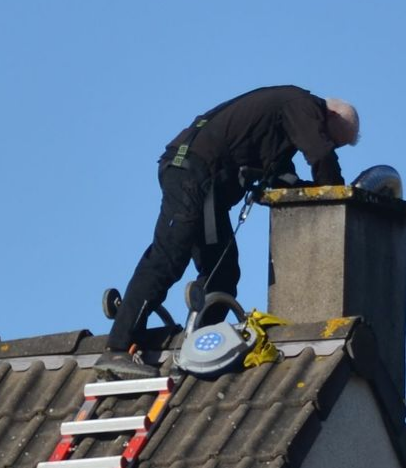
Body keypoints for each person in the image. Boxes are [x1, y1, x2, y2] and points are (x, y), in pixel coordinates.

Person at [96, 85, 360, 378]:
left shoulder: (285, 119)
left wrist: (303, 190)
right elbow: (321, 156)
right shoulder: (304, 105)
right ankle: (118, 347)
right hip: (190, 173)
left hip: (202, 185)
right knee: (168, 257)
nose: (331, 144)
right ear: (330, 115)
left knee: (223, 273)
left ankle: (199, 348)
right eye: (334, 140)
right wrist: (336, 195)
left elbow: (282, 176)